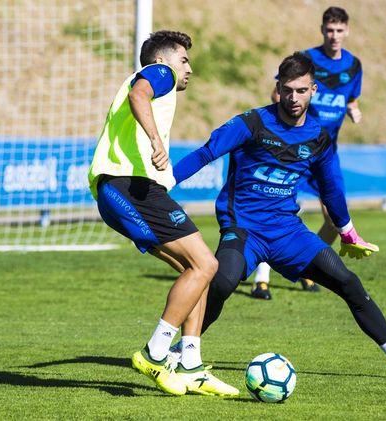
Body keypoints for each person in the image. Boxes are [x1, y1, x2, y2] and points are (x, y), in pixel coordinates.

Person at [168, 52, 386, 379]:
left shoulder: (318, 137)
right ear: (278, 89)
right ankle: (178, 352)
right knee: (222, 283)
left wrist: (347, 231)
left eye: (301, 90)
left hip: (288, 233)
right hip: (244, 229)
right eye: (287, 90)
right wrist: (165, 183)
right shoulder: (251, 123)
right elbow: (206, 153)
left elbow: (331, 189)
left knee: (349, 283)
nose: (294, 98)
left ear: (313, 90)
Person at [87, 30, 238, 397]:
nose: (189, 68)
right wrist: (156, 141)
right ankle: (154, 353)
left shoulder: (155, 80)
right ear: (163, 60)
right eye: (184, 59)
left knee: (198, 272)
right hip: (129, 186)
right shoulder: (160, 73)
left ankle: (191, 365)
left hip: (128, 189)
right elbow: (139, 94)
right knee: (206, 264)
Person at [252, 6, 364, 299]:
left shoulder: (354, 66)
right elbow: (278, 93)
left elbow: (351, 99)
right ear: (322, 30)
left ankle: (307, 266)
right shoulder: (307, 60)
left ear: (347, 31)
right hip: (295, 149)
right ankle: (261, 280)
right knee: (273, 211)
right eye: (330, 30)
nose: (334, 35)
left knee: (334, 221)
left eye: (339, 30)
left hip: (326, 153)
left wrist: (353, 110)